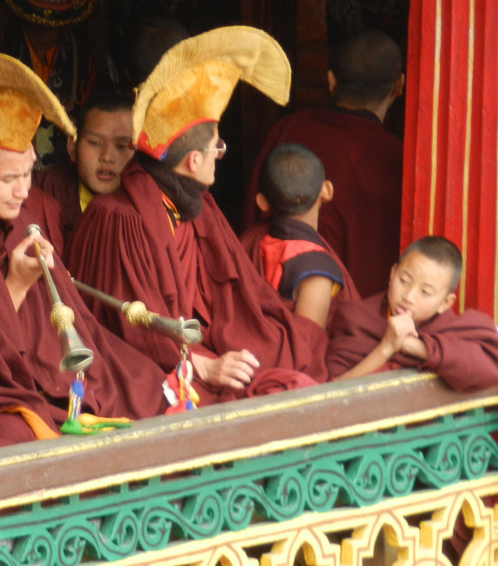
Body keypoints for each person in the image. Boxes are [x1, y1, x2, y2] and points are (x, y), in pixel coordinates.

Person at [0, 50, 168, 452]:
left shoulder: (20, 223)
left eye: (27, 174)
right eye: (9, 179)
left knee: (147, 385)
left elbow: (72, 327)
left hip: (45, 379)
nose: (23, 190)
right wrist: (17, 284)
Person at [68, 27, 329, 404]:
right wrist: (200, 364)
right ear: (193, 160)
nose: (218, 156)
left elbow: (240, 297)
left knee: (288, 358)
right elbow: (132, 326)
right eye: (216, 148)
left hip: (197, 345)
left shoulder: (194, 204)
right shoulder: (119, 218)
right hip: (144, 367)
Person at [243, 29, 404, 295]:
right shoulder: (394, 157)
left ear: (330, 81)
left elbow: (253, 219)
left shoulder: (287, 130)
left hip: (270, 294)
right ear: (399, 85)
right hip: (356, 315)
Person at [326, 236, 498, 392]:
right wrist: (387, 347)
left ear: (445, 303)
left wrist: (415, 347)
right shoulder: (356, 318)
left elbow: (495, 366)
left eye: (425, 292)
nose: (409, 296)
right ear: (392, 274)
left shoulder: (457, 330)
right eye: (404, 280)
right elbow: (333, 390)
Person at [239, 143, 359, 329]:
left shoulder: (251, 240)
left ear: (262, 203)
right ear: (327, 190)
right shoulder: (315, 268)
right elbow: (308, 345)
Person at [33, 92, 135, 243]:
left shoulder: (148, 208)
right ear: (72, 147)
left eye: (121, 146)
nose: (107, 157)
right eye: (95, 143)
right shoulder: (41, 192)